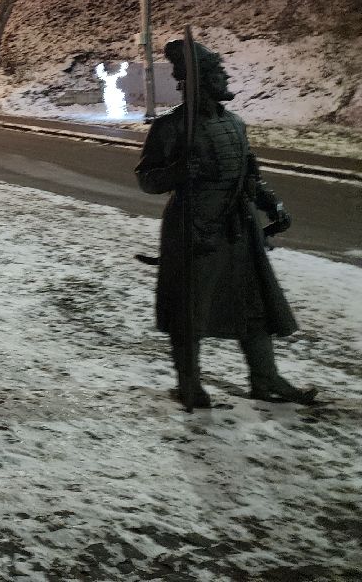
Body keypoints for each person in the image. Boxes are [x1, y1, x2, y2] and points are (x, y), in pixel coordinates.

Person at [135, 38, 316, 410]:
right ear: (201, 81)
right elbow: (148, 179)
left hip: (238, 227)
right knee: (190, 309)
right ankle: (190, 386)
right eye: (218, 73)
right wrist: (178, 172)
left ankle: (265, 378)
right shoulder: (170, 128)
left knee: (254, 304)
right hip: (195, 230)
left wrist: (271, 205)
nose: (225, 77)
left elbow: (249, 175)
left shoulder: (235, 124)